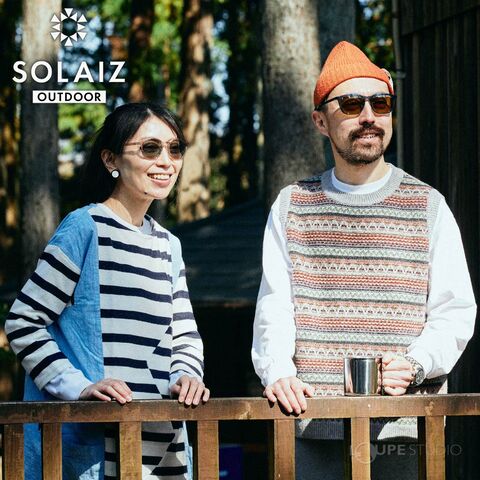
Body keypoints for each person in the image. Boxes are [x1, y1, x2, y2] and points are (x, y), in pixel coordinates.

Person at [252, 41, 476, 479]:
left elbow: (455, 311)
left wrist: (417, 363)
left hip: (406, 427)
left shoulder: (428, 204)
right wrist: (277, 371)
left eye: (381, 103)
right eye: (352, 104)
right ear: (320, 121)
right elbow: (274, 307)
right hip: (312, 424)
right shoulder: (292, 205)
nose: (369, 116)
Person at [5, 103, 209, 480]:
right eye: (150, 148)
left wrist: (186, 375)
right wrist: (80, 387)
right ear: (111, 159)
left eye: (175, 149)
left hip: (162, 450)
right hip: (94, 449)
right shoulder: (84, 228)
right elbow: (23, 322)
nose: (166, 161)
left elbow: (183, 336)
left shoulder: (169, 245)